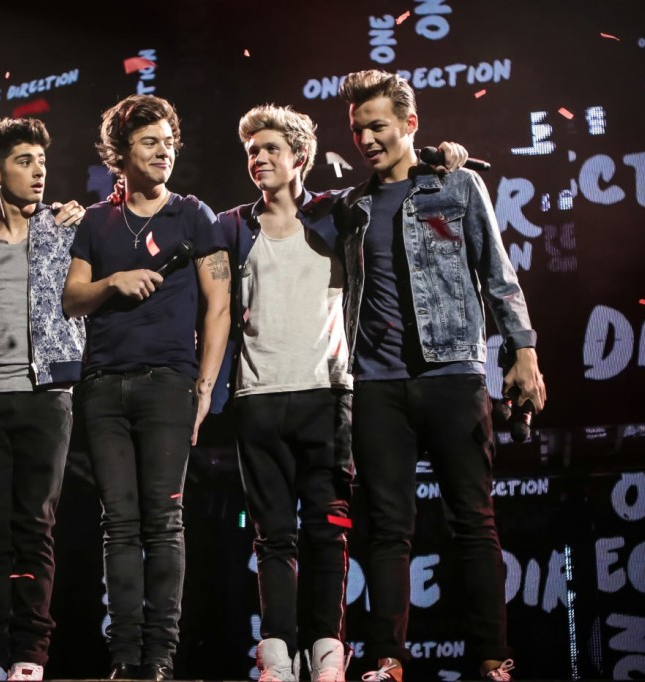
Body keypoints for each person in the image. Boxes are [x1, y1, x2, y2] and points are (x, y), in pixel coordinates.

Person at [334, 70, 547, 682]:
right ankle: (388, 660)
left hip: (453, 372)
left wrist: (523, 350)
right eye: (358, 129)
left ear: (410, 124)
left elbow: (498, 273)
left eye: (378, 125)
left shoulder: (458, 185)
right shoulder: (351, 207)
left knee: (473, 521)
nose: (366, 139)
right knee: (387, 529)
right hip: (376, 383)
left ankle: (492, 659)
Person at [63, 94, 231, 681]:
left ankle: (159, 657)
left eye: (169, 142)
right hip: (103, 386)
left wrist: (205, 386)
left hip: (169, 383)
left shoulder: (194, 214)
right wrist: (114, 281)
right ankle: (123, 656)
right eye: (150, 142)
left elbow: (218, 307)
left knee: (163, 522)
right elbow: (72, 298)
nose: (164, 152)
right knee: (119, 523)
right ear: (121, 152)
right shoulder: (95, 221)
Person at [214, 104, 353, 682]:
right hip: (258, 397)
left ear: (299, 157)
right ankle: (276, 654)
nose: (259, 158)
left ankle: (327, 652)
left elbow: (390, 185)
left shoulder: (338, 216)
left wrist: (440, 160)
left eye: (271, 148)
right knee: (273, 536)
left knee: (327, 529)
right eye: (252, 151)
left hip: (327, 393)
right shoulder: (232, 226)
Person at [0, 117, 87, 682]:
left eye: (41, 161)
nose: (38, 171)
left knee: (35, 526)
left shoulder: (63, 230)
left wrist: (75, 218)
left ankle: (30, 653)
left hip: (45, 396)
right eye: (24, 161)